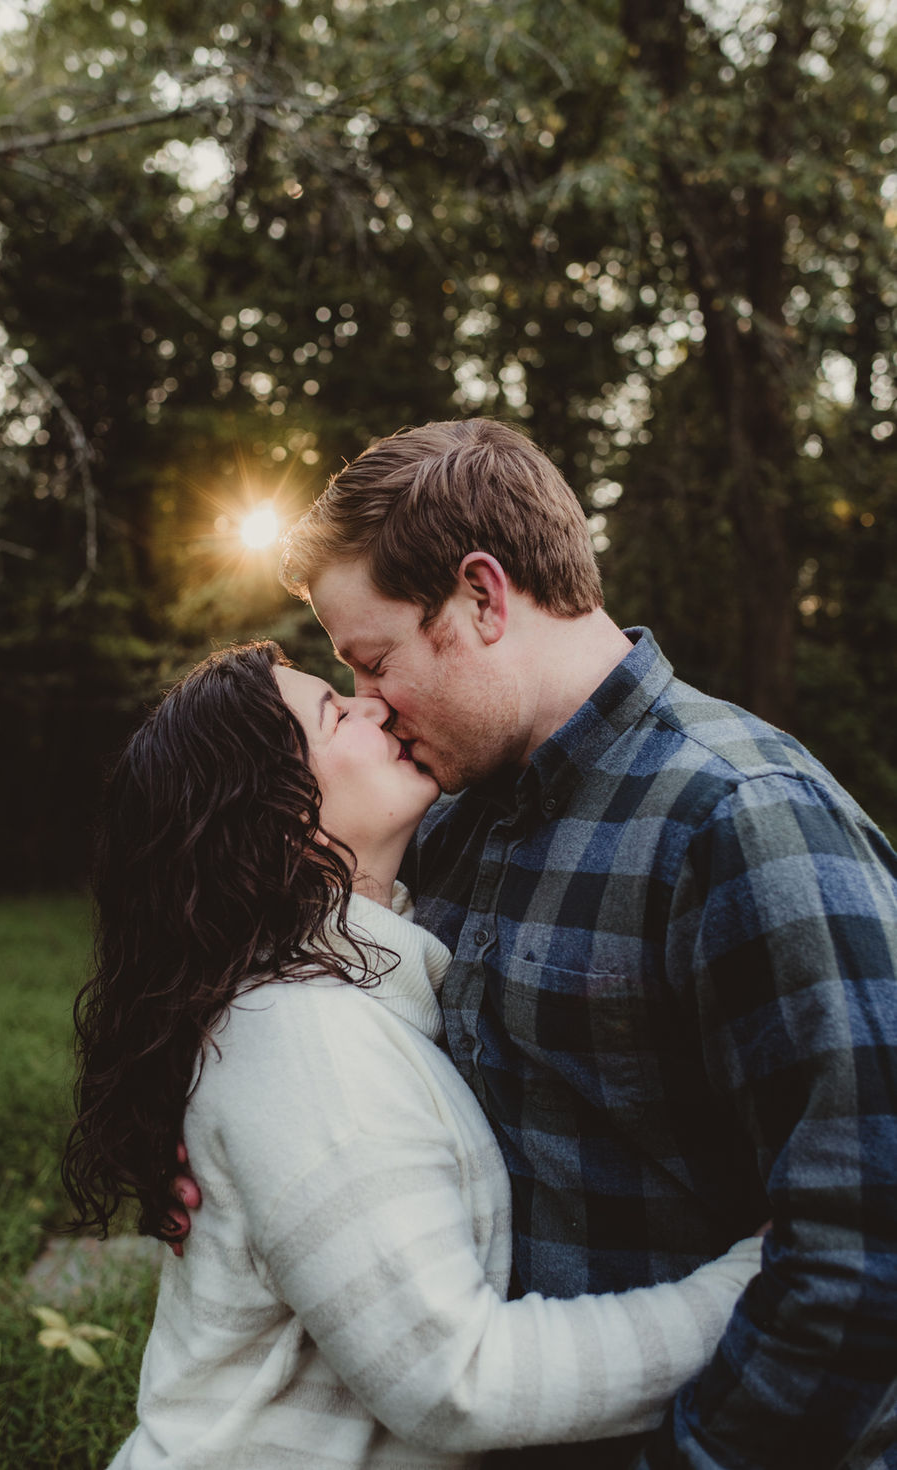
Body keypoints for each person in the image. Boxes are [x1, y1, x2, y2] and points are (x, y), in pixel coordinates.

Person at [265, 416, 897, 1470]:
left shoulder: (741, 819)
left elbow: (864, 1255)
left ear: (481, 596)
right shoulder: (455, 813)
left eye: (373, 663)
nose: (369, 709)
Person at [62, 641, 765, 1470]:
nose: (372, 706)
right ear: (279, 815)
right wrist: (753, 1285)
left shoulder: (349, 993)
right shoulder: (303, 1043)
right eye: (334, 711)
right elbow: (455, 1381)